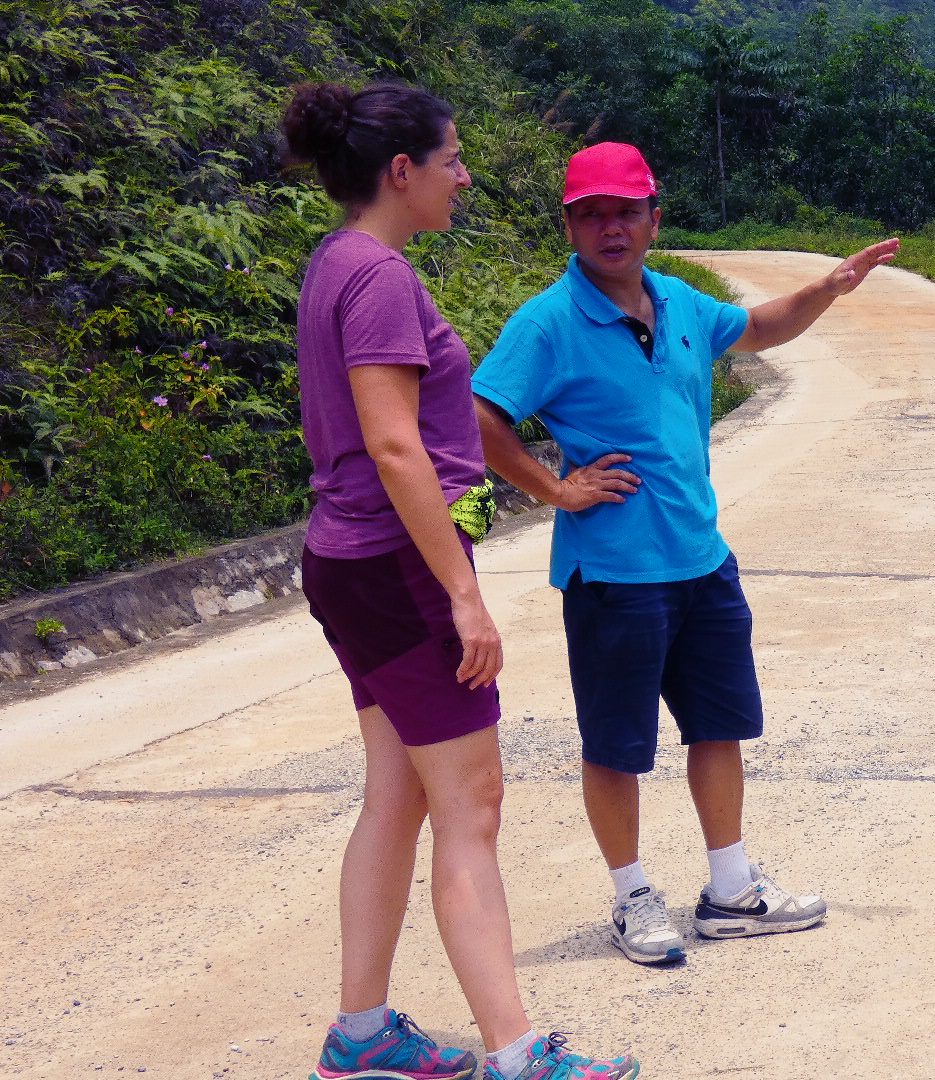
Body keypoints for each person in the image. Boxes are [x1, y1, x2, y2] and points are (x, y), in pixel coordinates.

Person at [471, 142, 900, 966]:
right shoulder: (548, 321)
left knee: (718, 728)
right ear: (568, 224)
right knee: (615, 745)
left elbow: (759, 328)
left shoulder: (679, 301)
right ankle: (634, 896)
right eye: (591, 213)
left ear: (653, 220)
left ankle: (731, 890)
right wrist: (554, 490)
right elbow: (482, 413)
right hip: (614, 577)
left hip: (702, 561)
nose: (610, 228)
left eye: (626, 211)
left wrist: (827, 288)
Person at [283, 82, 637, 1080]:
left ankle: (361, 1035)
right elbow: (397, 448)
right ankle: (518, 1055)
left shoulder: (338, 263)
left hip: (348, 562)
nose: (464, 173)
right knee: (473, 804)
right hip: (395, 567)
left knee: (397, 793)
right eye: (451, 157)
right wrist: (464, 595)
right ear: (402, 171)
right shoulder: (381, 277)